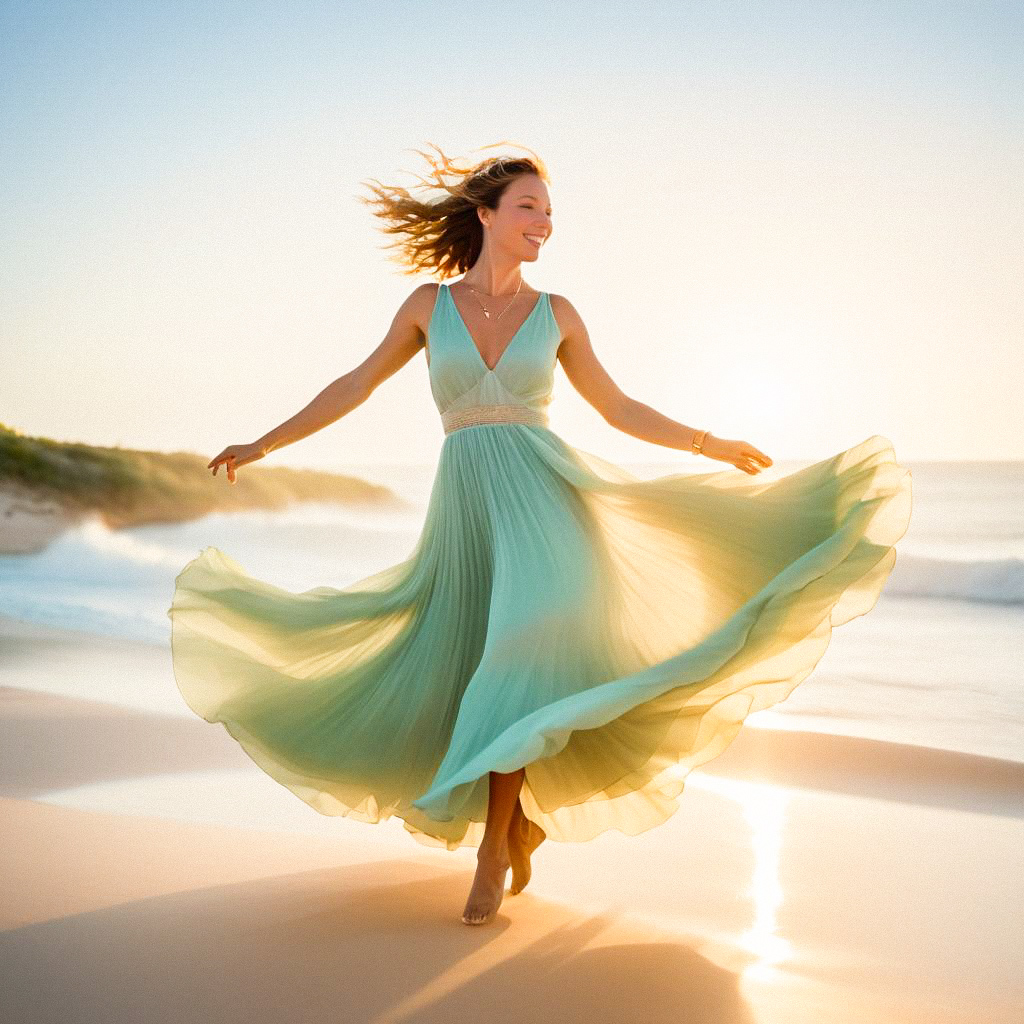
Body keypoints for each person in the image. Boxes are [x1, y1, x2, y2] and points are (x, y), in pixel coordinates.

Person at [168, 142, 913, 927]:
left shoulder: (558, 314)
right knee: (462, 666)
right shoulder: (429, 306)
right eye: (529, 207)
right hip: (467, 513)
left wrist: (711, 442)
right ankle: (516, 817)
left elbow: (619, 409)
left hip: (553, 505)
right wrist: (265, 443)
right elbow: (355, 383)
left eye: (551, 212)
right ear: (486, 215)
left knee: (522, 653)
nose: (544, 223)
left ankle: (495, 845)